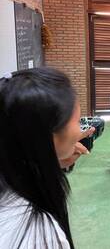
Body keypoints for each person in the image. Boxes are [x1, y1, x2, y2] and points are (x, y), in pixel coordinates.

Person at [0, 68, 94, 249]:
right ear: (50, 137)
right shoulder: (40, 235)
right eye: (77, 122)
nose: (79, 131)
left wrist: (51, 162)